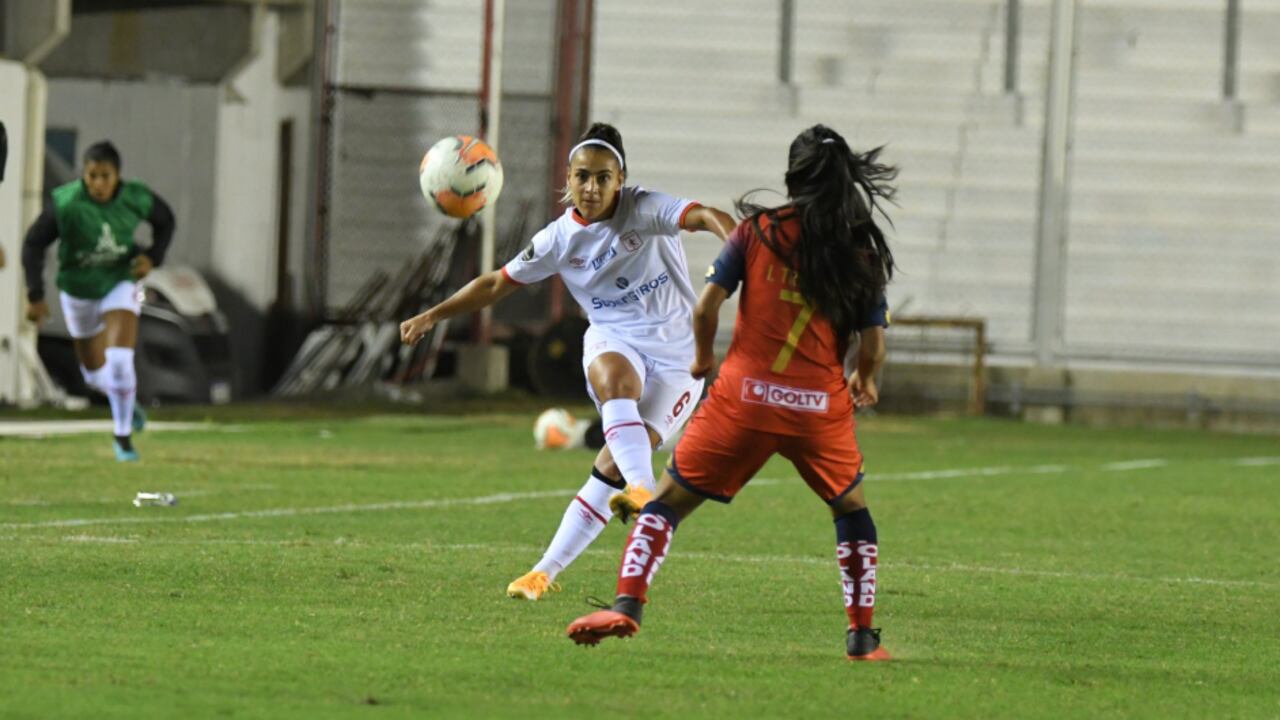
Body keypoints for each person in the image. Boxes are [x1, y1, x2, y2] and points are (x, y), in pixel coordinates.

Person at [565, 125, 897, 661]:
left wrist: (701, 359)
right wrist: (867, 378)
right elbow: (874, 343)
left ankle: (627, 603)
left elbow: (705, 307)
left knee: (665, 505)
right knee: (851, 509)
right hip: (818, 407)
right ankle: (861, 636)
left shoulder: (757, 230)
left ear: (791, 178)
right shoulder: (860, 248)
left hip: (742, 399)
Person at [400, 122, 736, 600]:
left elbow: (704, 215)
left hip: (678, 357)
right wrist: (432, 314)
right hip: (614, 338)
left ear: (621, 180)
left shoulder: (644, 208)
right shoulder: (558, 239)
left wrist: (742, 249)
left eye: (603, 178)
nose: (591, 188)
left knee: (609, 467)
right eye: (582, 177)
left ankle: (543, 571)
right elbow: (495, 283)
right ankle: (643, 488)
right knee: (614, 380)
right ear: (568, 179)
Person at [22, 141, 175, 461]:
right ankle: (125, 402)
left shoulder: (135, 197)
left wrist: (153, 256)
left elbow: (166, 221)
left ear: (118, 175)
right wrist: (35, 294)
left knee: (120, 361)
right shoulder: (66, 202)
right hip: (78, 289)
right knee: (94, 376)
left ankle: (123, 438)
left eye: (105, 176)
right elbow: (33, 244)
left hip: (119, 280)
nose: (99, 184)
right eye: (92, 176)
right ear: (84, 175)